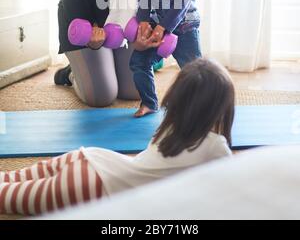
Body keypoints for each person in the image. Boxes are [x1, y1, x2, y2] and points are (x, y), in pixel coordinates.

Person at [0, 58, 235, 216]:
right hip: (95, 186)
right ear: (219, 108)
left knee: (8, 179)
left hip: (92, 159)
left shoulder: (168, 129)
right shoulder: (217, 147)